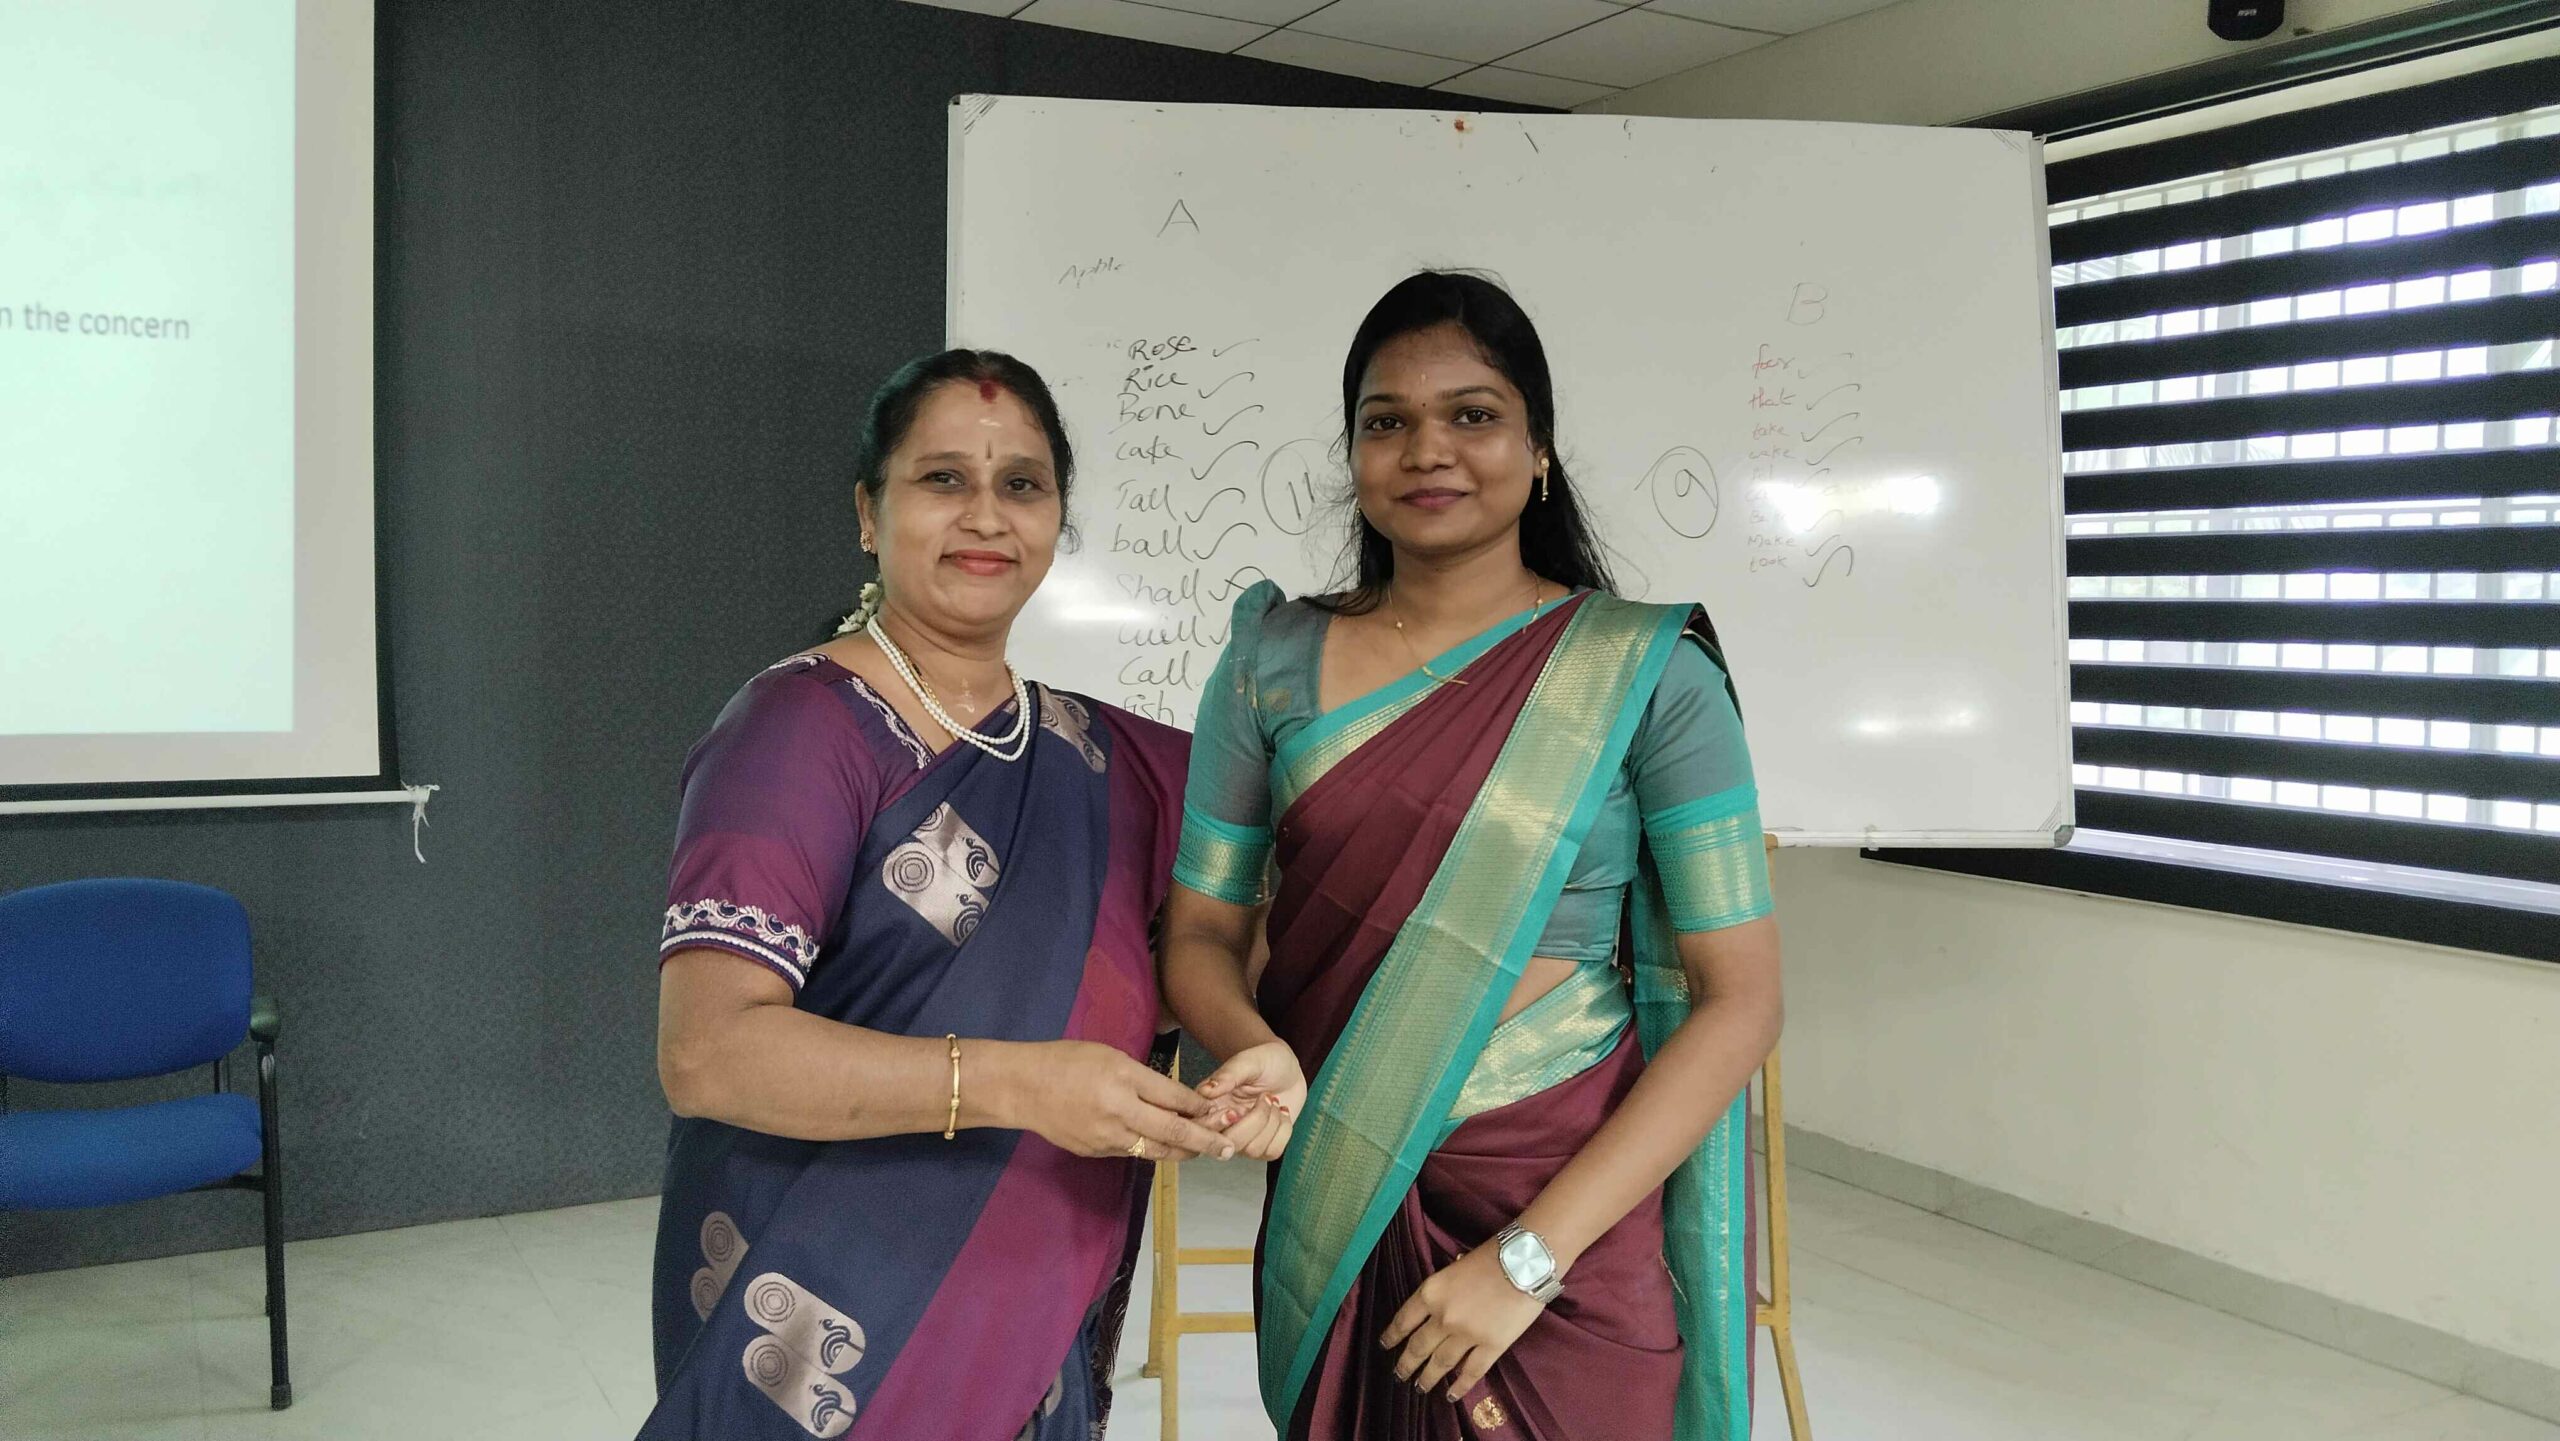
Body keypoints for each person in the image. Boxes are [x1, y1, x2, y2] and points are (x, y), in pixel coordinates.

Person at [1164, 273, 1786, 1439]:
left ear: (1538, 448)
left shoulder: (1648, 674)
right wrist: (1253, 1045)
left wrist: (1526, 1259)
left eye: (1473, 414)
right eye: (1386, 420)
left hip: (1564, 1225)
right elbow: (1200, 929)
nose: (1427, 450)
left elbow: (1740, 999)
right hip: (1341, 1189)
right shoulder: (1268, 663)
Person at [641, 350, 1278, 1441]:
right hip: (821, 1306)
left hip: (1025, 1306)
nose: (986, 515)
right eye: (943, 478)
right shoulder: (795, 733)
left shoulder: (1116, 763)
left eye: (1021, 484)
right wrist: (1020, 1083)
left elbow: (1216, 943)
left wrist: (1252, 1043)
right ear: (868, 511)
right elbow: (708, 1053)